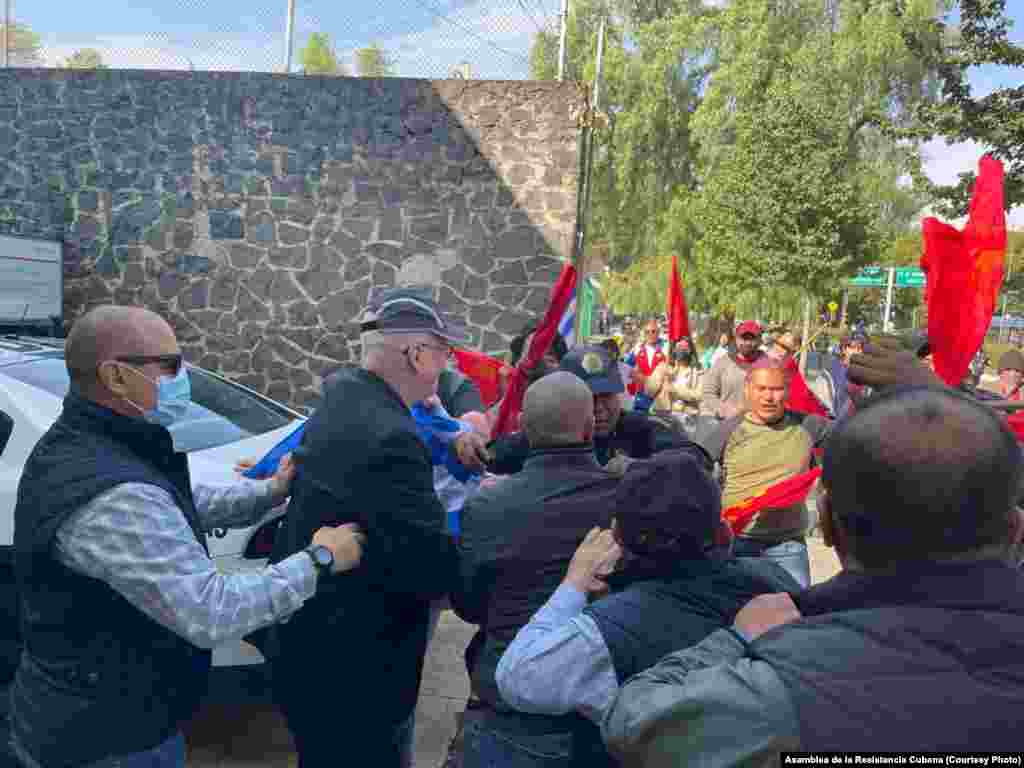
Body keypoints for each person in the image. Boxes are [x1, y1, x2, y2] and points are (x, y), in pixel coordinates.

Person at [9, 306, 365, 768]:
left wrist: (270, 492)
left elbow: (174, 500)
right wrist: (319, 560)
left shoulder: (97, 442)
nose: (185, 378)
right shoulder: (111, 492)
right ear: (116, 377)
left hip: (106, 712)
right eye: (171, 366)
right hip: (105, 740)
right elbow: (212, 611)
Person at [603, 386, 1024, 761]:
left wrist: (734, 639)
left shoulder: (780, 685)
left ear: (827, 524)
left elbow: (632, 722)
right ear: (1014, 530)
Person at [269, 287, 465, 768]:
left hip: (311, 651)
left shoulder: (342, 397)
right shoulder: (393, 437)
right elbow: (430, 566)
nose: (447, 367)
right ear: (417, 355)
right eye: (443, 354)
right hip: (357, 670)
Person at [495, 450, 797, 730]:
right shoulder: (777, 582)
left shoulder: (607, 629)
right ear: (723, 533)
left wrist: (574, 583)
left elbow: (515, 677)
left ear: (617, 537)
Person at [453, 371, 620, 768]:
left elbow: (469, 606)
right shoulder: (624, 501)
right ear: (587, 427)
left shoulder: (487, 507)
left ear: (523, 427)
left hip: (510, 701)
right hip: (595, 701)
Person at [699, 359, 829, 587]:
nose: (768, 397)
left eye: (776, 389)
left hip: (788, 545)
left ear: (788, 391)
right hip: (735, 543)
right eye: (761, 389)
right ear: (748, 390)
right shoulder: (729, 430)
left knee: (794, 613)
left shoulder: (809, 426)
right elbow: (690, 466)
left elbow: (856, 434)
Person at [488, 345, 693, 475]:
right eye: (590, 399)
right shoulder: (550, 435)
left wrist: (641, 469)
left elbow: (693, 458)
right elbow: (494, 456)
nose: (600, 409)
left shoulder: (638, 428)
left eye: (607, 396)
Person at [700, 321, 764, 420]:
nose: (747, 343)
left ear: (760, 340)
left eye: (752, 339)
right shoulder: (723, 362)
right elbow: (708, 392)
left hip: (757, 426)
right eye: (743, 338)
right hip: (725, 423)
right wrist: (723, 409)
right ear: (736, 339)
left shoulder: (769, 365)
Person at [644, 339, 702, 434]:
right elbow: (648, 391)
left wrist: (675, 390)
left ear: (690, 350)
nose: (681, 350)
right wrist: (660, 374)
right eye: (678, 347)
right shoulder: (663, 366)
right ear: (673, 349)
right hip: (661, 417)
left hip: (685, 420)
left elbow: (698, 395)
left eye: (684, 347)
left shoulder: (697, 372)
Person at [624, 320, 667, 414]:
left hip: (659, 398)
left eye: (653, 331)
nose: (650, 334)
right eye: (647, 332)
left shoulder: (665, 347)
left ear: (658, 332)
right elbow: (626, 367)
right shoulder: (638, 348)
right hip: (641, 397)